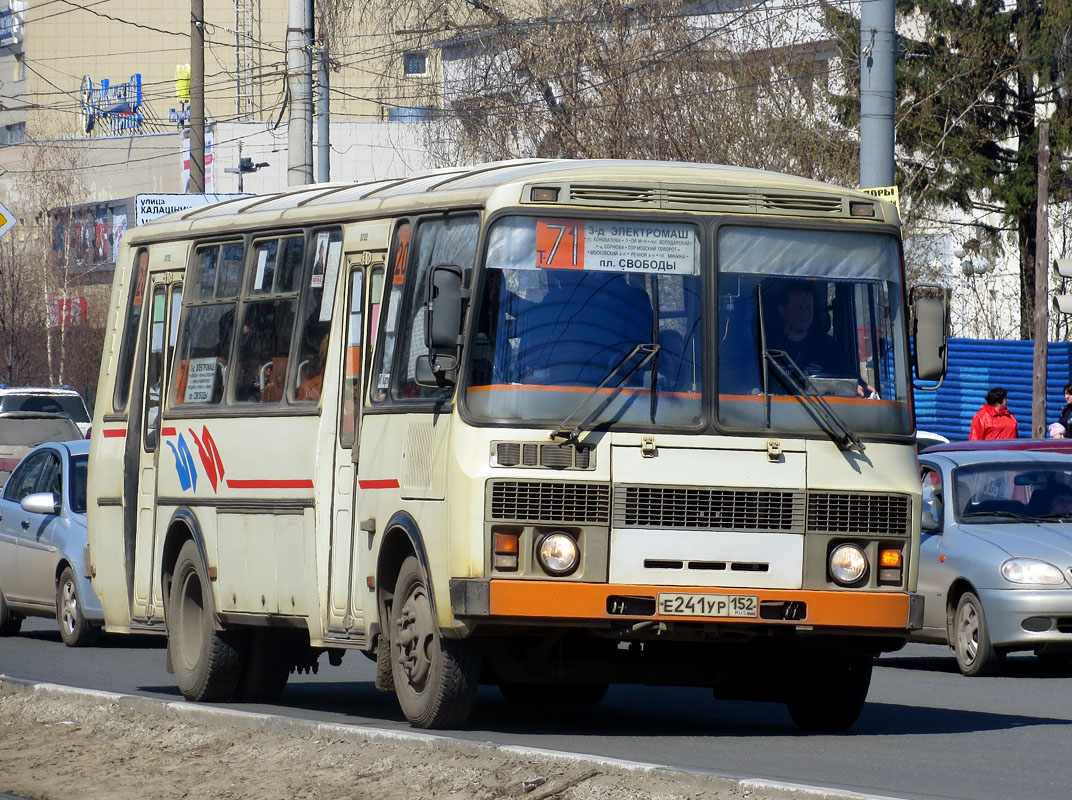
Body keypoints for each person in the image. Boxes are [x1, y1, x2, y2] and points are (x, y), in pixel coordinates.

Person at [768, 280, 875, 397]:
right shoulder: (767, 348)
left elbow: (852, 382)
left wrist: (862, 388)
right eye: (798, 307)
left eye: (808, 307)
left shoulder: (829, 348)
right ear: (782, 310)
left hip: (825, 413)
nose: (804, 313)